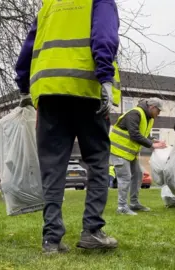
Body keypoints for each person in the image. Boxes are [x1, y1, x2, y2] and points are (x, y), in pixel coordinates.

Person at [15, 0, 121, 254]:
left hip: (50, 92)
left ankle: (51, 239)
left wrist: (23, 85)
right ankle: (92, 231)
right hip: (87, 89)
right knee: (97, 160)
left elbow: (28, 48)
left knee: (52, 166)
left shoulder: (49, 6)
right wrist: (105, 77)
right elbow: (104, 35)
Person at [109, 98, 166, 215]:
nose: (159, 114)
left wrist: (154, 140)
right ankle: (122, 207)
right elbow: (134, 134)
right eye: (158, 111)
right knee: (125, 178)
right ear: (152, 107)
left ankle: (134, 203)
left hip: (130, 153)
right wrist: (152, 145)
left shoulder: (148, 118)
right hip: (119, 151)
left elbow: (144, 135)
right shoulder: (135, 113)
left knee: (138, 175)